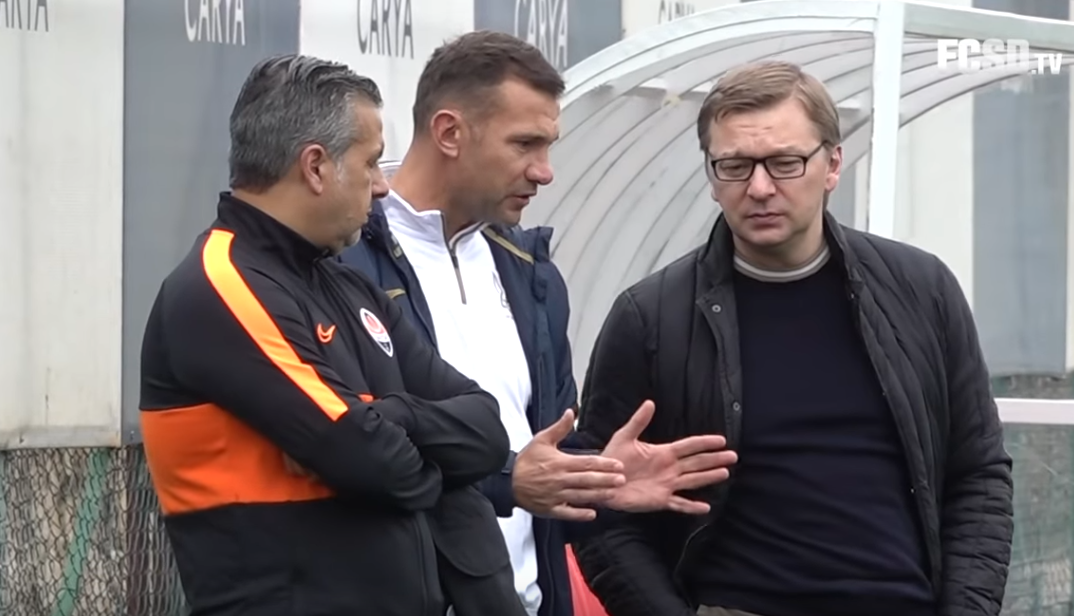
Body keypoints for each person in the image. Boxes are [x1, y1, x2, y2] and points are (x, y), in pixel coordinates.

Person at [572, 60, 1015, 616]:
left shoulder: (920, 291)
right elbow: (597, 505)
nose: (759, 188)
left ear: (833, 165)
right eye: (734, 165)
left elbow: (977, 476)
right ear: (711, 175)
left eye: (784, 163)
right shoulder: (651, 318)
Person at [339, 30, 739, 616]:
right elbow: (354, 452)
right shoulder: (342, 266)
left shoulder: (531, 273)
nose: (545, 172)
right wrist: (507, 481)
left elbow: (544, 456)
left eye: (548, 146)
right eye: (525, 144)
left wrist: (599, 479)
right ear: (449, 132)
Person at [139, 54, 522, 616]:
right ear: (316, 167)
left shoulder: (348, 286)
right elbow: (372, 461)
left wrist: (392, 417)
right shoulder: (222, 284)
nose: (383, 187)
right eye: (371, 163)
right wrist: (423, 456)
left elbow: (485, 429)